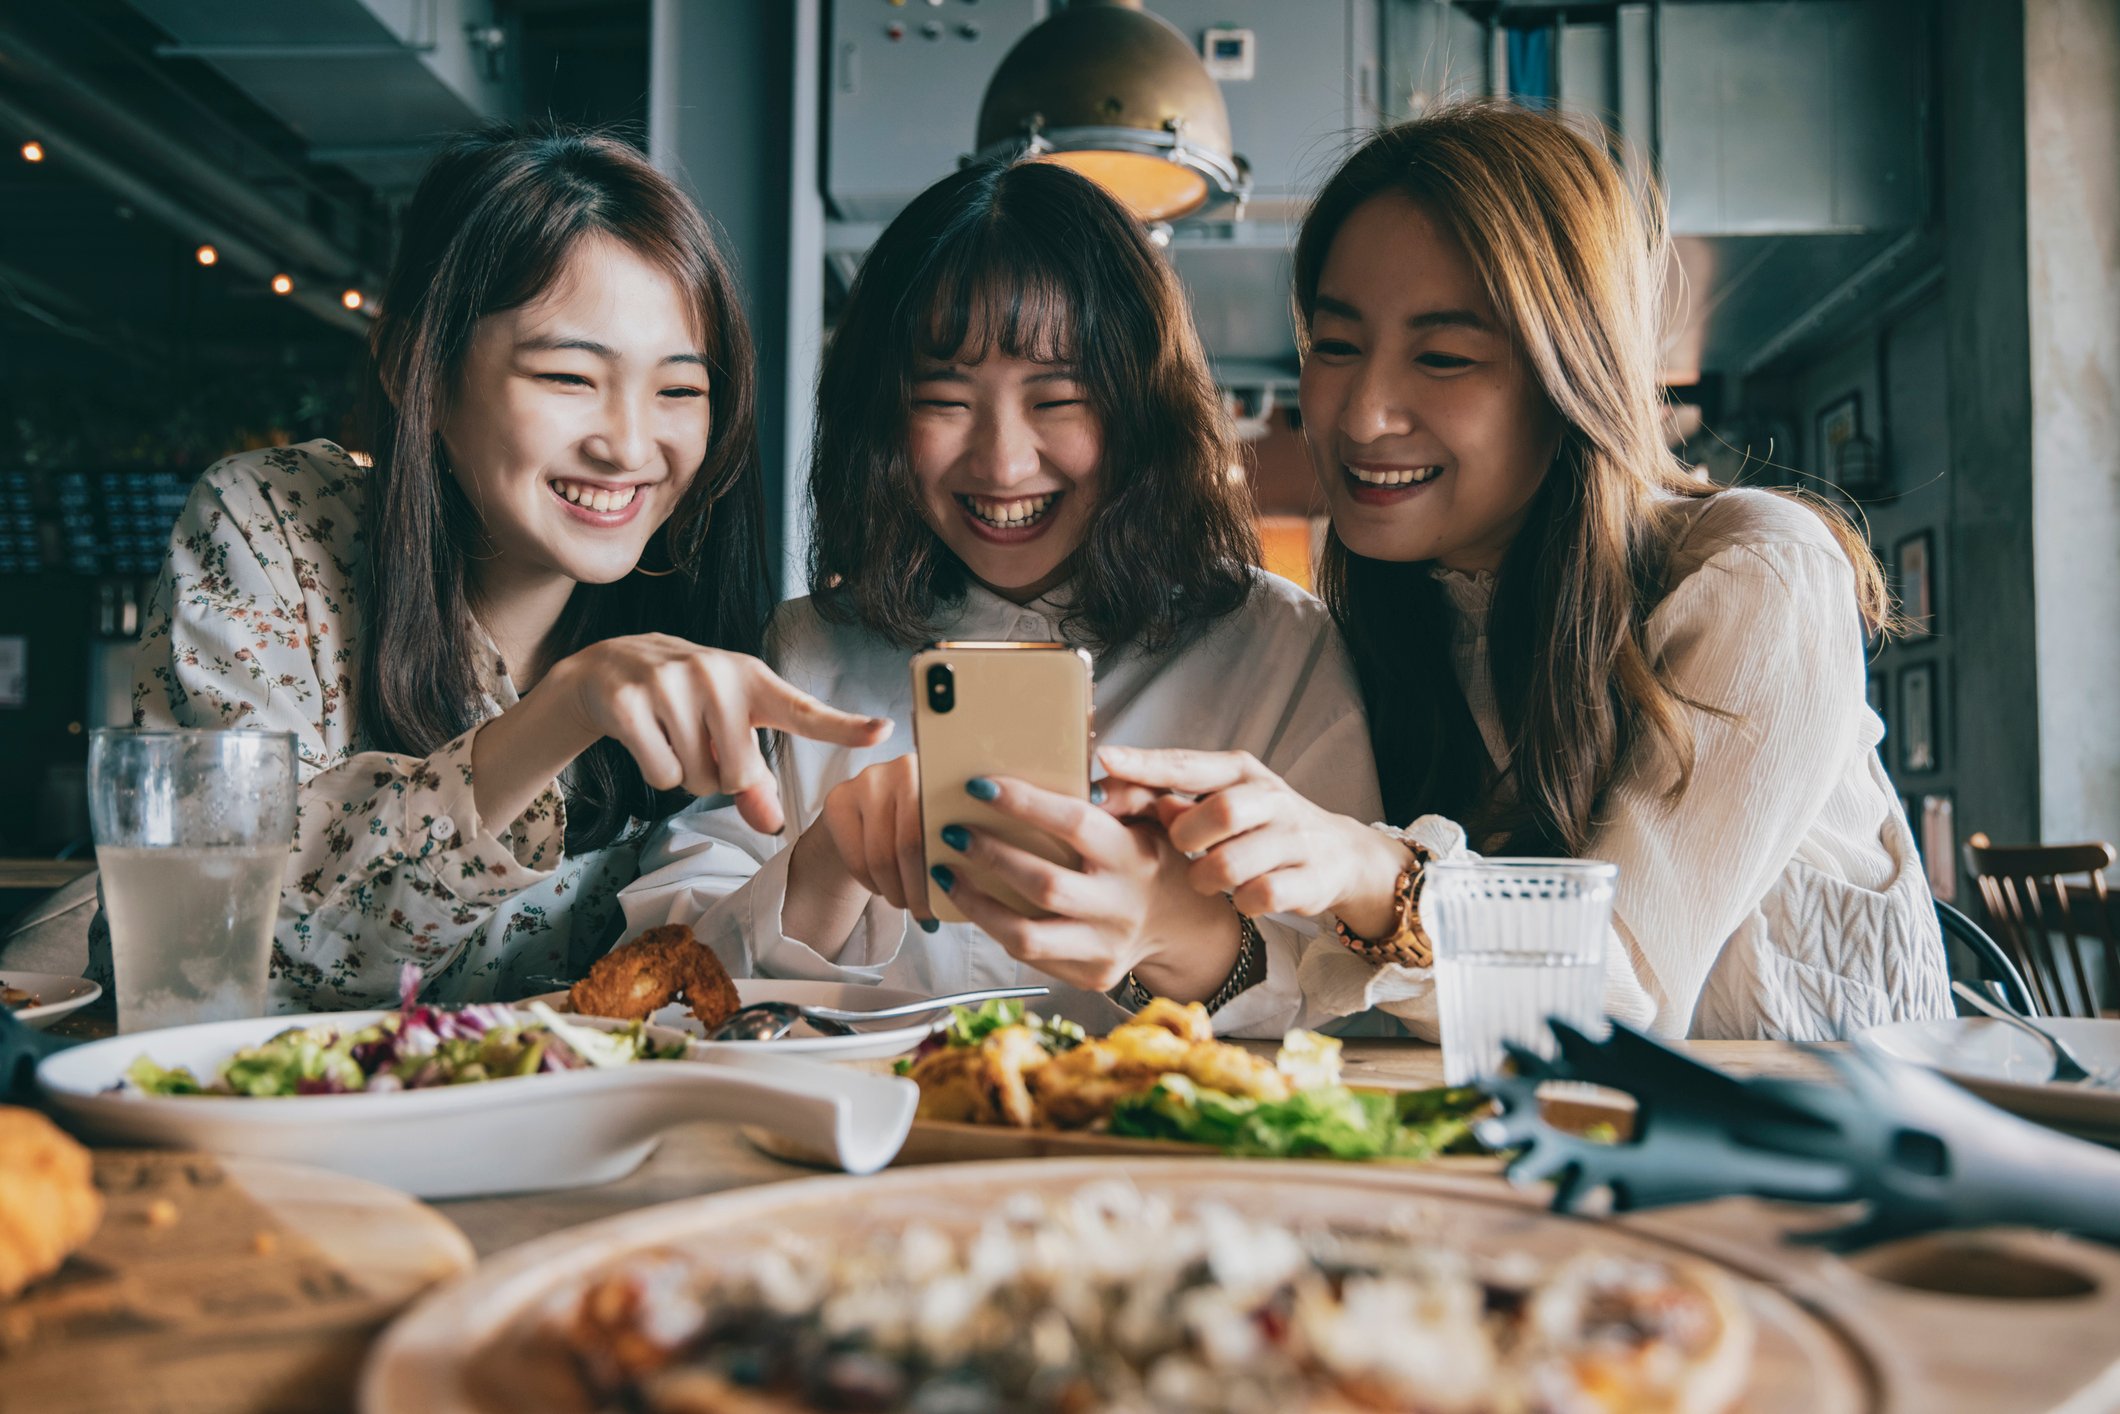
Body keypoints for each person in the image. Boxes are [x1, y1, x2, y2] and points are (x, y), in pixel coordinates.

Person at [1097, 102, 1951, 1041]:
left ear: (1571, 375)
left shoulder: (1758, 572)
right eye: (1335, 345)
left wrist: (1372, 873)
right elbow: (1351, 1000)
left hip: (1843, 1160)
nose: (1363, 414)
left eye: (1445, 357)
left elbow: (1626, 990)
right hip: (1558, 1153)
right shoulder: (1398, 613)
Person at [124, 127, 886, 1010]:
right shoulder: (273, 528)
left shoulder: (704, 622)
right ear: (417, 368)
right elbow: (223, 943)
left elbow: (681, 998)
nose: (631, 447)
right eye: (569, 377)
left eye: (680, 389)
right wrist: (566, 708)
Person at [622, 159, 1381, 1034]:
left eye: (1058, 399)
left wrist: (1178, 933)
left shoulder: (1276, 648)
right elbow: (666, 981)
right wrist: (825, 864)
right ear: (880, 421)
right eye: (944, 400)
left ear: (1143, 411)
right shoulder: (805, 651)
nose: (1003, 463)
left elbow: (1354, 992)